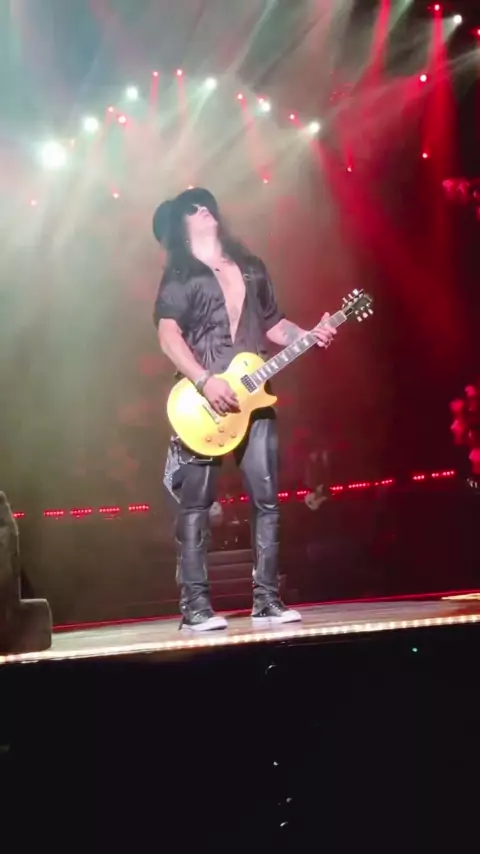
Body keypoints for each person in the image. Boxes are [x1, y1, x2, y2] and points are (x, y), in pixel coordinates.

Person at [152, 188, 336, 631]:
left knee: (267, 500)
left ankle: (267, 601)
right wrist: (204, 380)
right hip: (202, 399)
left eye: (205, 203)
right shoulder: (181, 274)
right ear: (180, 226)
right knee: (196, 504)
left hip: (255, 397)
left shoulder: (251, 266)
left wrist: (309, 335)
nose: (203, 208)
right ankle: (195, 608)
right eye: (192, 208)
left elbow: (275, 325)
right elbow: (168, 336)